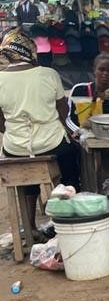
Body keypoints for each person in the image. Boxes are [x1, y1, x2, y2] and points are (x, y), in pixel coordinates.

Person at [0, 30, 81, 238]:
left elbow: (0, 122)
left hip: (15, 148)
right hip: (51, 143)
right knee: (70, 165)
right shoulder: (48, 74)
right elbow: (63, 112)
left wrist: (15, 128)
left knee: (28, 169)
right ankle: (70, 219)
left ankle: (30, 228)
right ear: (31, 51)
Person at [68, 54, 109, 127]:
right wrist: (80, 133)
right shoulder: (79, 90)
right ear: (94, 70)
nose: (105, 73)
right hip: (77, 135)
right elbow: (68, 119)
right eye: (101, 69)